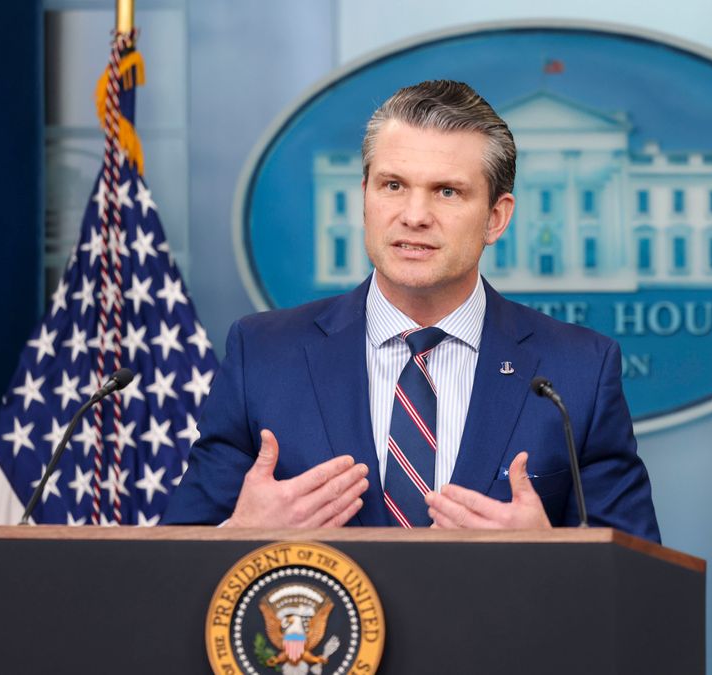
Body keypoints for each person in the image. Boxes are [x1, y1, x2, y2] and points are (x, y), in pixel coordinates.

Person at [164, 80, 659, 542]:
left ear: (496, 218)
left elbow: (642, 591)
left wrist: (553, 556)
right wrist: (236, 533)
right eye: (393, 185)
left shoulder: (578, 372)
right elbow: (168, 568)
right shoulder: (264, 356)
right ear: (364, 198)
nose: (414, 215)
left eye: (447, 191)